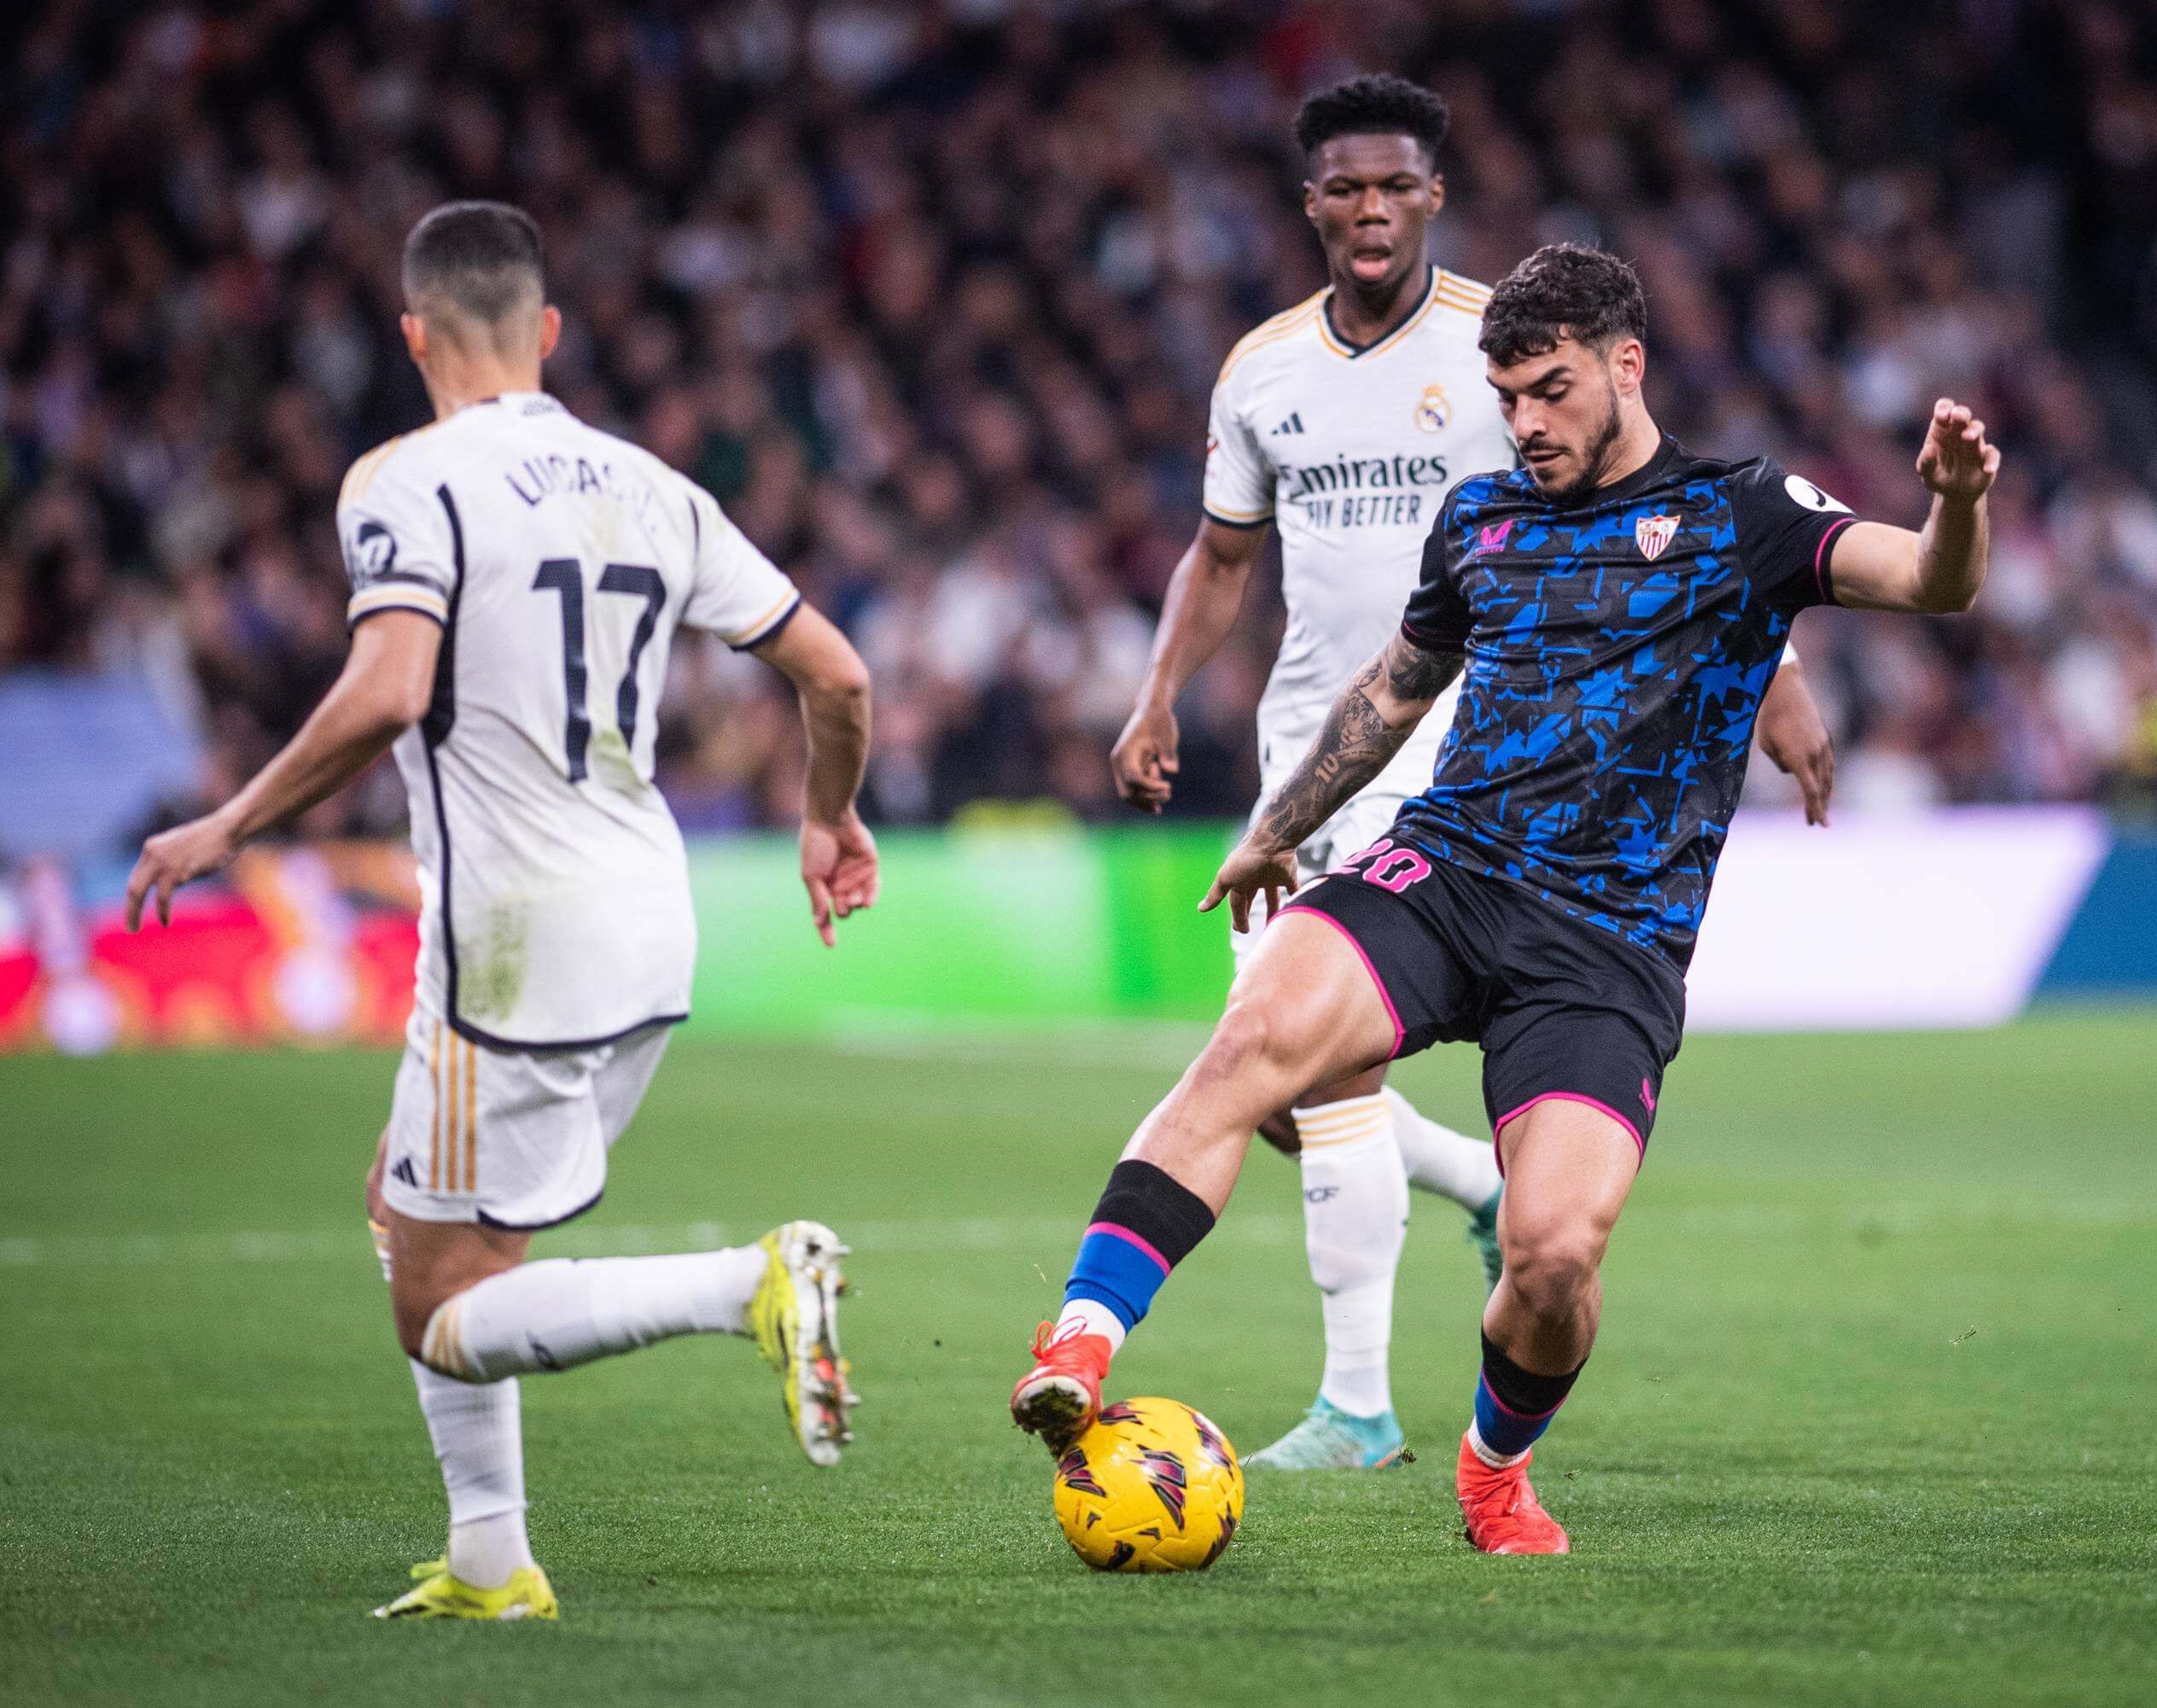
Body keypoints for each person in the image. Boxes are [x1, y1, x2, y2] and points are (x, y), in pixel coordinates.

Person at [1013, 242, 1998, 1554]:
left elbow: (1935, 580)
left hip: (1610, 941)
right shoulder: (1480, 516)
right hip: (1451, 872)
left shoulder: (1744, 509)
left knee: (1553, 1254)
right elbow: (1392, 689)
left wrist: (1958, 505)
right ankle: (1079, 1342)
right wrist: (1276, 829)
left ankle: (1492, 1469)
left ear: (1626, 366)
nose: (1525, 422)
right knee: (1252, 1041)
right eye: (1507, 397)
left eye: (1551, 390)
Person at [123, 201, 883, 1618]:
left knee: (442, 1310)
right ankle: (491, 1557)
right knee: (407, 1202)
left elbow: (391, 688)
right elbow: (837, 676)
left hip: (515, 942)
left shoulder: (403, 480)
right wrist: (827, 812)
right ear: (549, 331)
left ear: (414, 336)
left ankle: (751, 1283)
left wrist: (231, 821)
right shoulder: (656, 487)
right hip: (653, 920)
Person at [1110, 74, 1838, 1471]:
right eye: (1345, 188)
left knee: (1307, 1078)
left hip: (1472, 760)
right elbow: (1222, 555)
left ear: (1434, 196)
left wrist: (1781, 673)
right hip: (1318, 739)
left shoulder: (1509, 339)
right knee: (1279, 1094)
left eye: (1397, 185)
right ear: (1311, 204)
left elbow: (1671, 515)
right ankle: (1473, 1188)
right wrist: (1157, 695)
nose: (1372, 209)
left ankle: (1359, 1403)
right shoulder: (1261, 371)